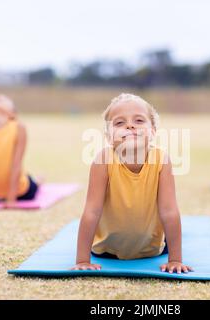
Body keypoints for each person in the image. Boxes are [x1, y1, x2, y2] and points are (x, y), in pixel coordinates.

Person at [71, 93, 193, 274]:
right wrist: (82, 260)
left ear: (152, 131)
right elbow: (92, 210)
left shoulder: (162, 160)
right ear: (109, 136)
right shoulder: (103, 160)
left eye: (139, 120)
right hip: (106, 250)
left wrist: (175, 259)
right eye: (119, 123)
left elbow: (169, 210)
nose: (130, 126)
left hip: (152, 249)